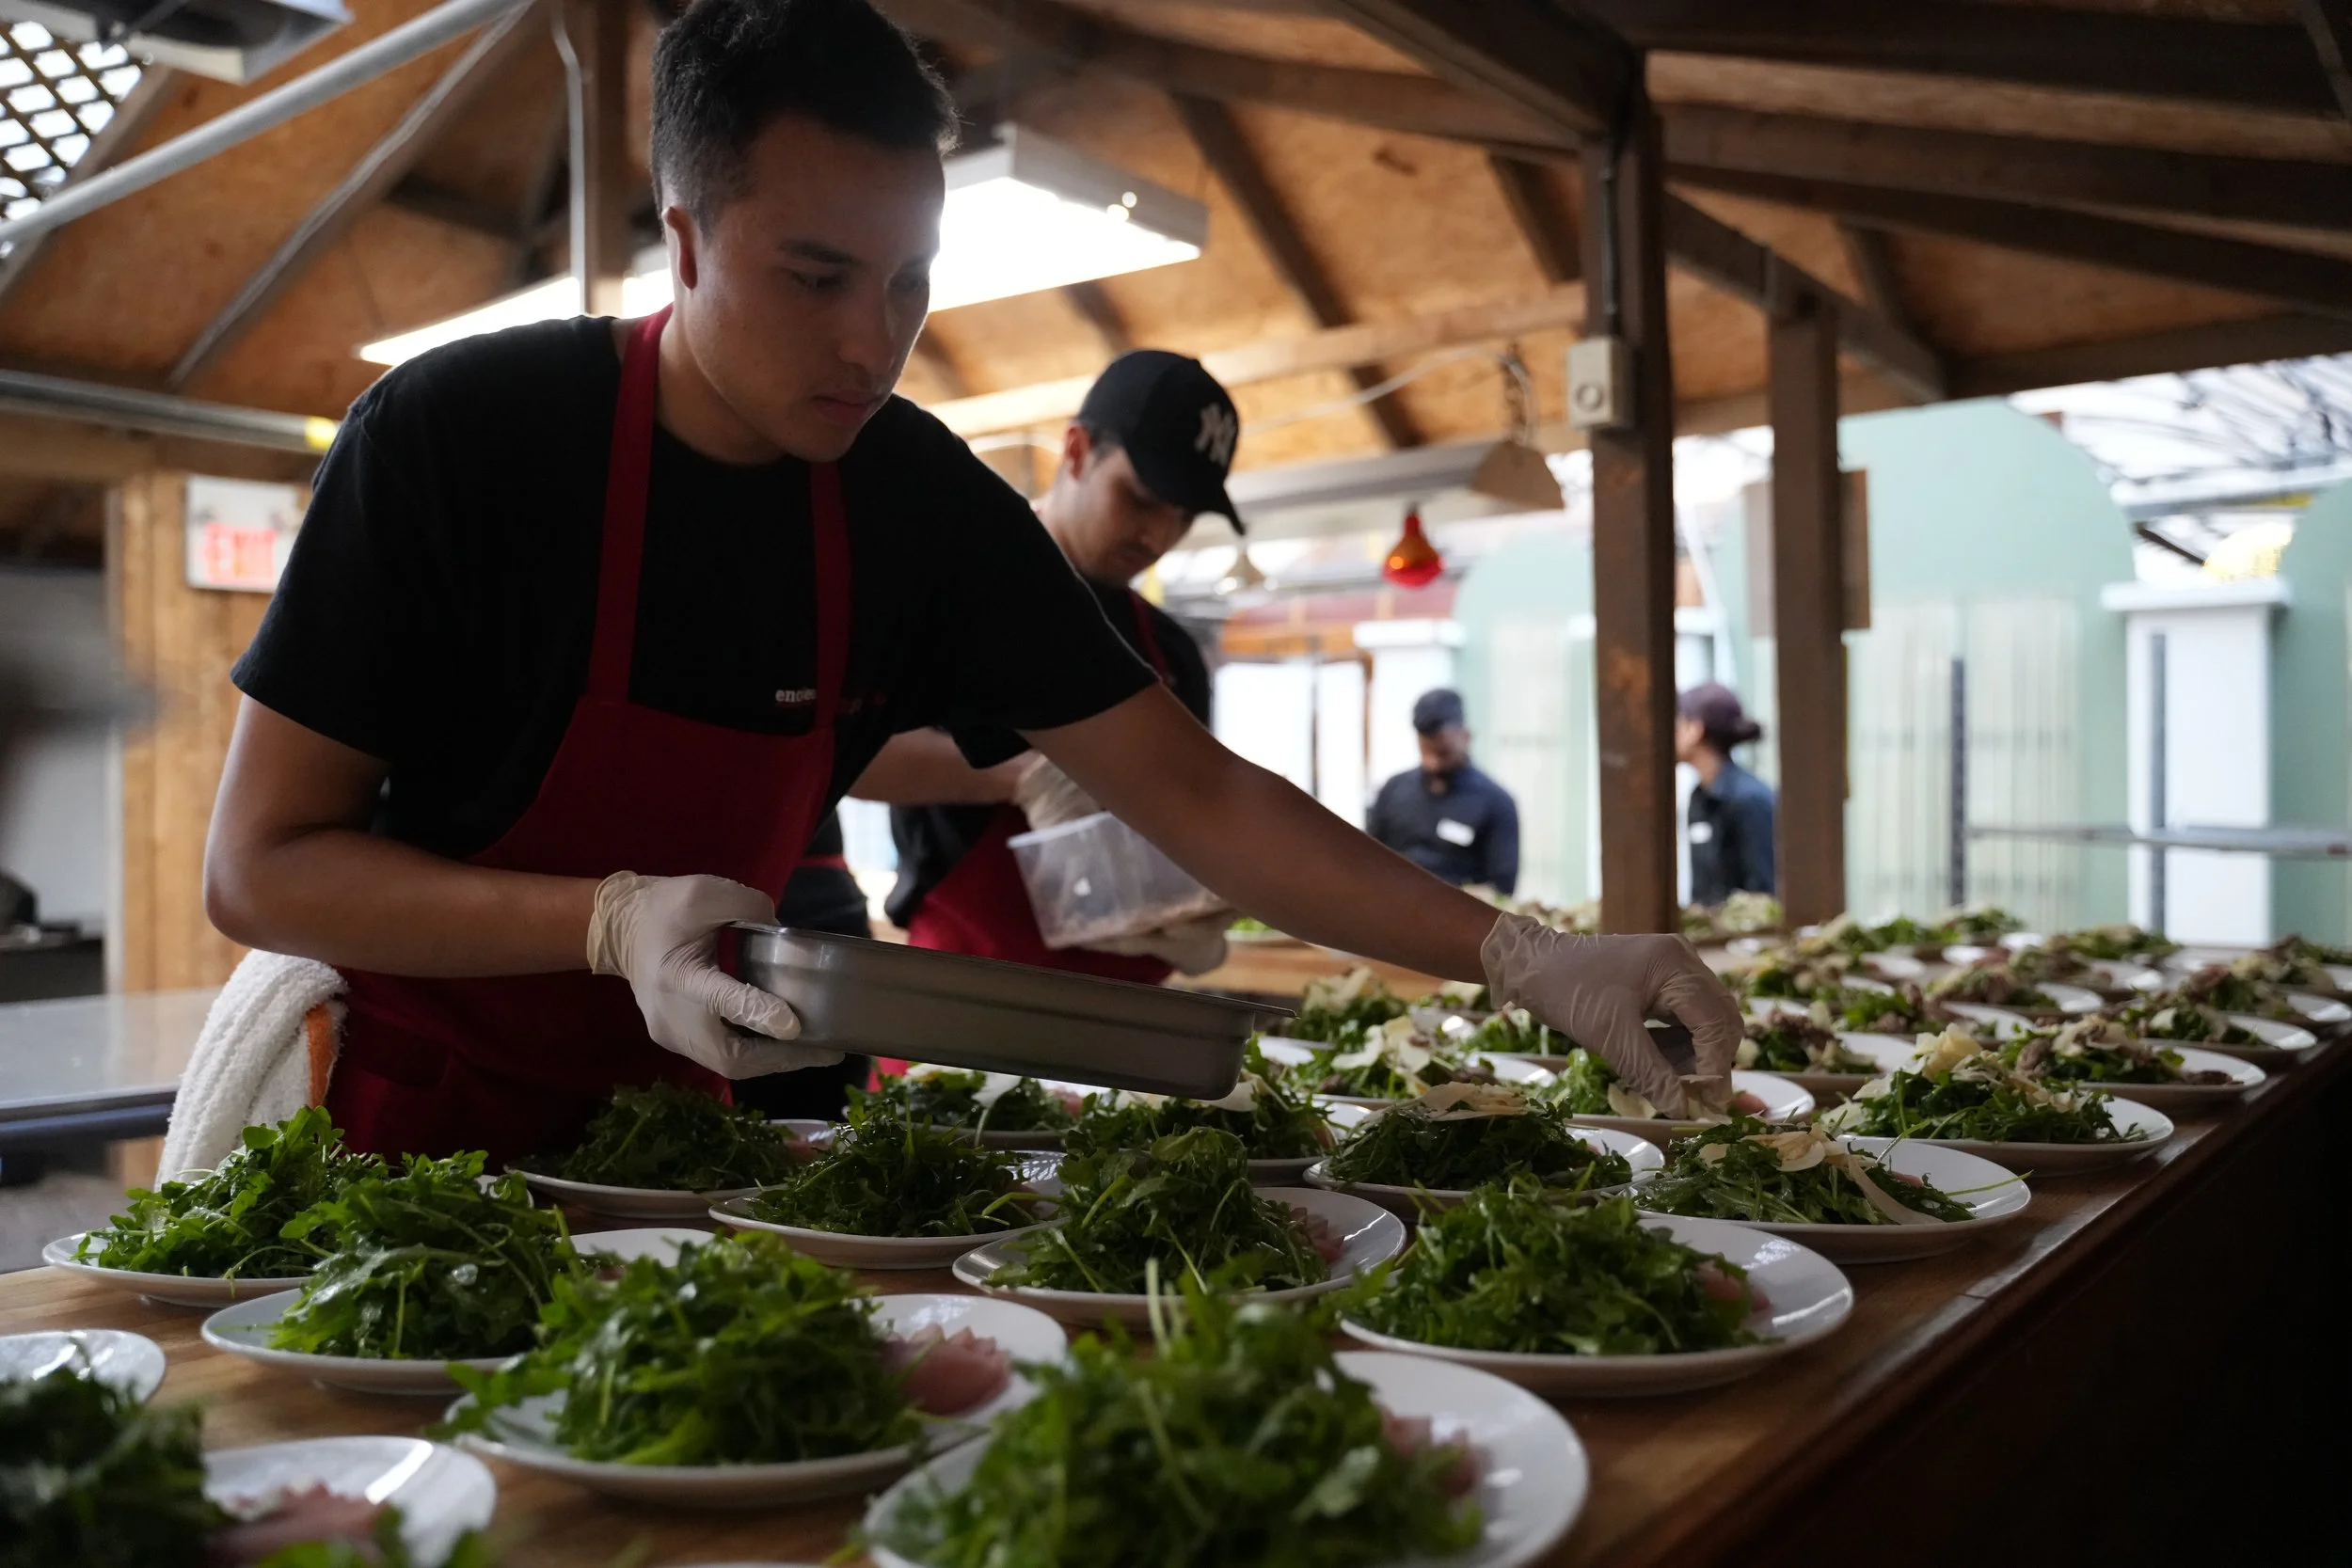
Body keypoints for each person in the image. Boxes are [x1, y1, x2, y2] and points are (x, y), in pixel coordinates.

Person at [200, 0, 1741, 1168]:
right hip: (395, 1145)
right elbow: (258, 868)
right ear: (682, 236)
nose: (874, 344)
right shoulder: (462, 444)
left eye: (911, 281)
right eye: (815, 278)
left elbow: (1196, 794)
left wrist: (1525, 955)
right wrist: (608, 922)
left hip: (677, 1150)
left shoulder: (916, 504)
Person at [869, 350, 1228, 985]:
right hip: (963, 1001)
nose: (1157, 535)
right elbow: (852, 755)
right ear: (1078, 449)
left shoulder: (1171, 652)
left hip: (1129, 1012)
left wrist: (1205, 885)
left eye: (1184, 515)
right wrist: (1025, 778)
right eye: (1142, 498)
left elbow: (1196, 804)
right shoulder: (952, 588)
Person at [1366, 689, 1518, 895]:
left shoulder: (1496, 803)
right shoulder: (1393, 790)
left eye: (1443, 753)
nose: (1432, 764)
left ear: (1466, 736)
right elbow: (1368, 859)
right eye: (1425, 752)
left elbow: (1502, 887)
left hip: (1459, 916)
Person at [1677, 682, 1776, 905]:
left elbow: (1765, 892)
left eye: (1677, 722)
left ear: (1695, 729)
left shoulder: (1750, 800)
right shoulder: (1699, 797)